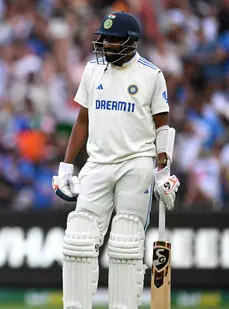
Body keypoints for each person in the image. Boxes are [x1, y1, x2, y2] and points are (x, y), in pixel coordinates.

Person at [51, 11, 181, 309]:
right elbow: (82, 120)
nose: (106, 44)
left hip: (137, 163)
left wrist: (164, 171)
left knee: (126, 241)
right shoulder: (92, 70)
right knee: (79, 238)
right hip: (97, 163)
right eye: (104, 39)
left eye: (113, 40)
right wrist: (66, 166)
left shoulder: (151, 75)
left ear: (131, 42)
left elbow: (163, 126)